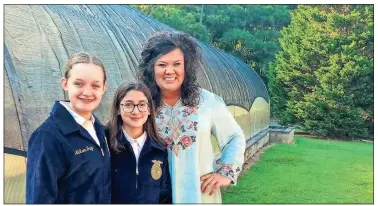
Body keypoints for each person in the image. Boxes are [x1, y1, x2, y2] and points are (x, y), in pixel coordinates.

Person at [137, 31, 246, 203]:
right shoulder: (141, 104)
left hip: (199, 196)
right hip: (152, 196)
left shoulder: (208, 102)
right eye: (162, 64)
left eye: (177, 64)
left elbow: (234, 137)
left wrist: (226, 172)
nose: (169, 71)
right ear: (151, 68)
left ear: (186, 67)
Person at [26, 52, 111, 204]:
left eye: (95, 85)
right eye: (78, 83)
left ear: (104, 88)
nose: (87, 92)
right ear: (65, 84)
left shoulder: (99, 130)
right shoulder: (48, 137)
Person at [105, 81, 172, 204]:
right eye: (128, 105)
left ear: (149, 109)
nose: (136, 111)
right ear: (118, 109)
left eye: (142, 104)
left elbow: (165, 196)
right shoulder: (106, 145)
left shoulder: (159, 150)